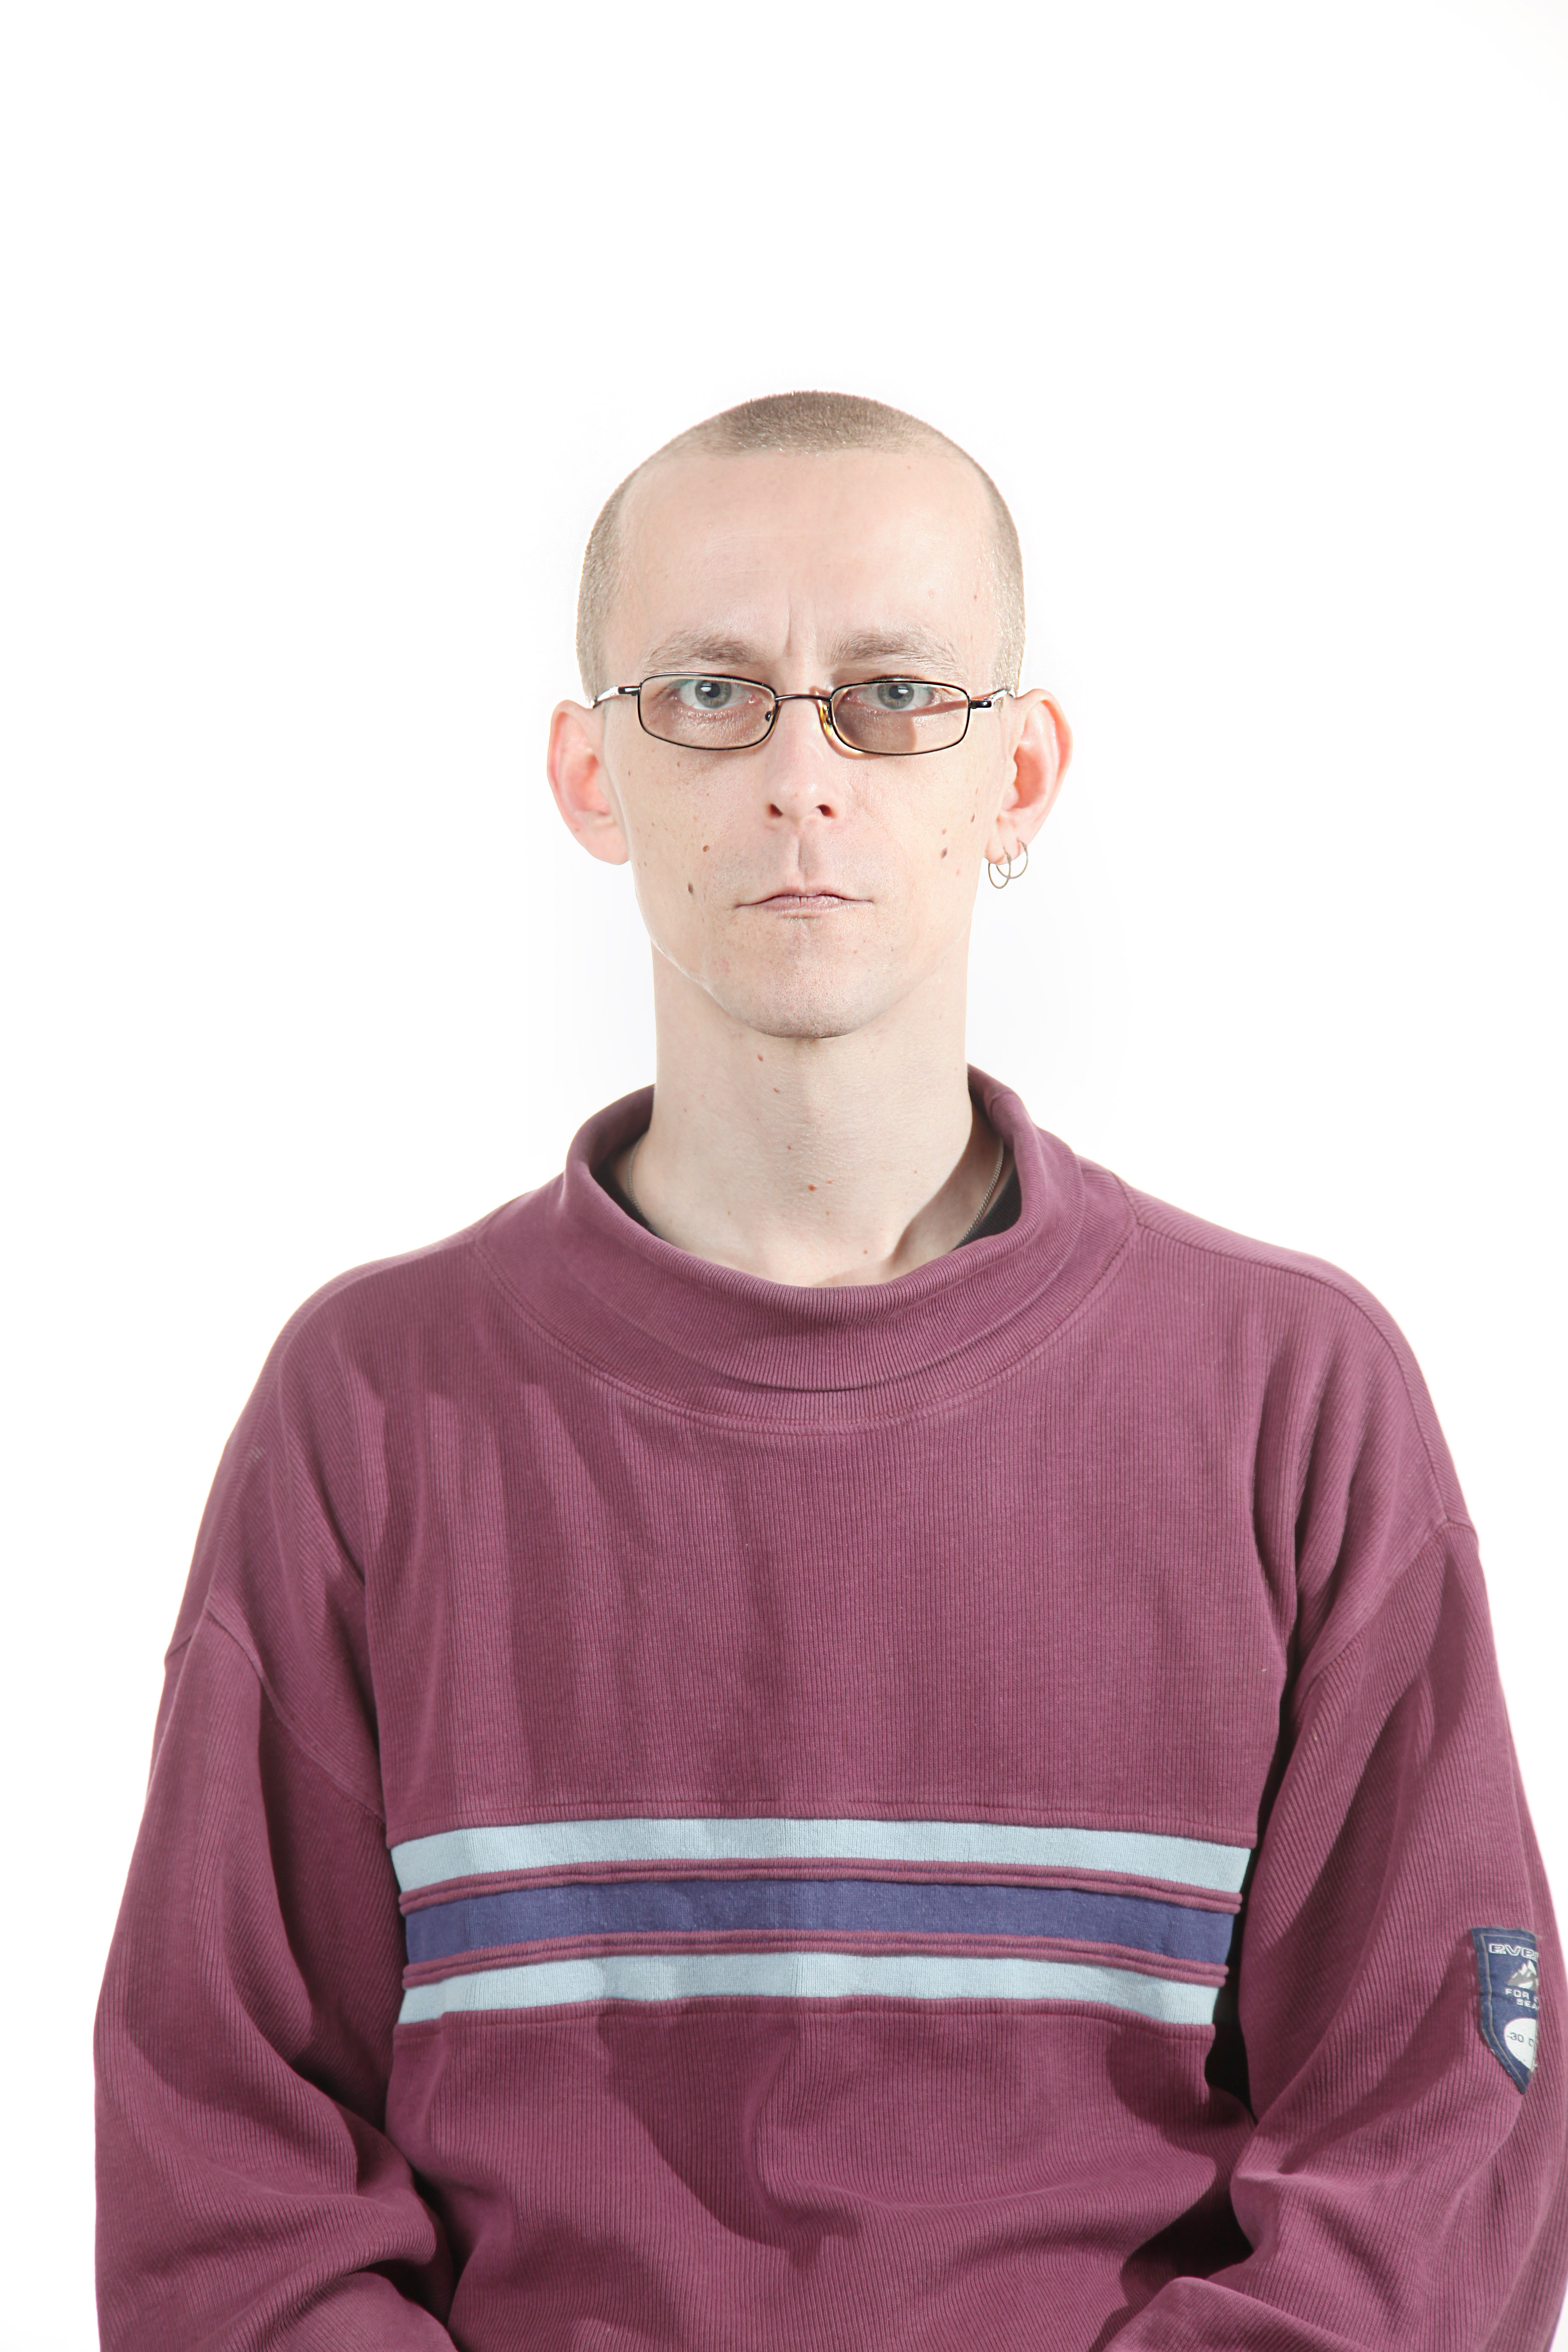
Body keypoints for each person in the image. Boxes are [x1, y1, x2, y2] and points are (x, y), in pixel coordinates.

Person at [95, 390, 1568, 2349]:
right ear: (593, 773)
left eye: (892, 698)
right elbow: (220, 2159)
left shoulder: (1295, 1401)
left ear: (1019, 776)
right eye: (713, 694)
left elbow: (1439, 2142)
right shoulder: (366, 1411)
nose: (802, 776)